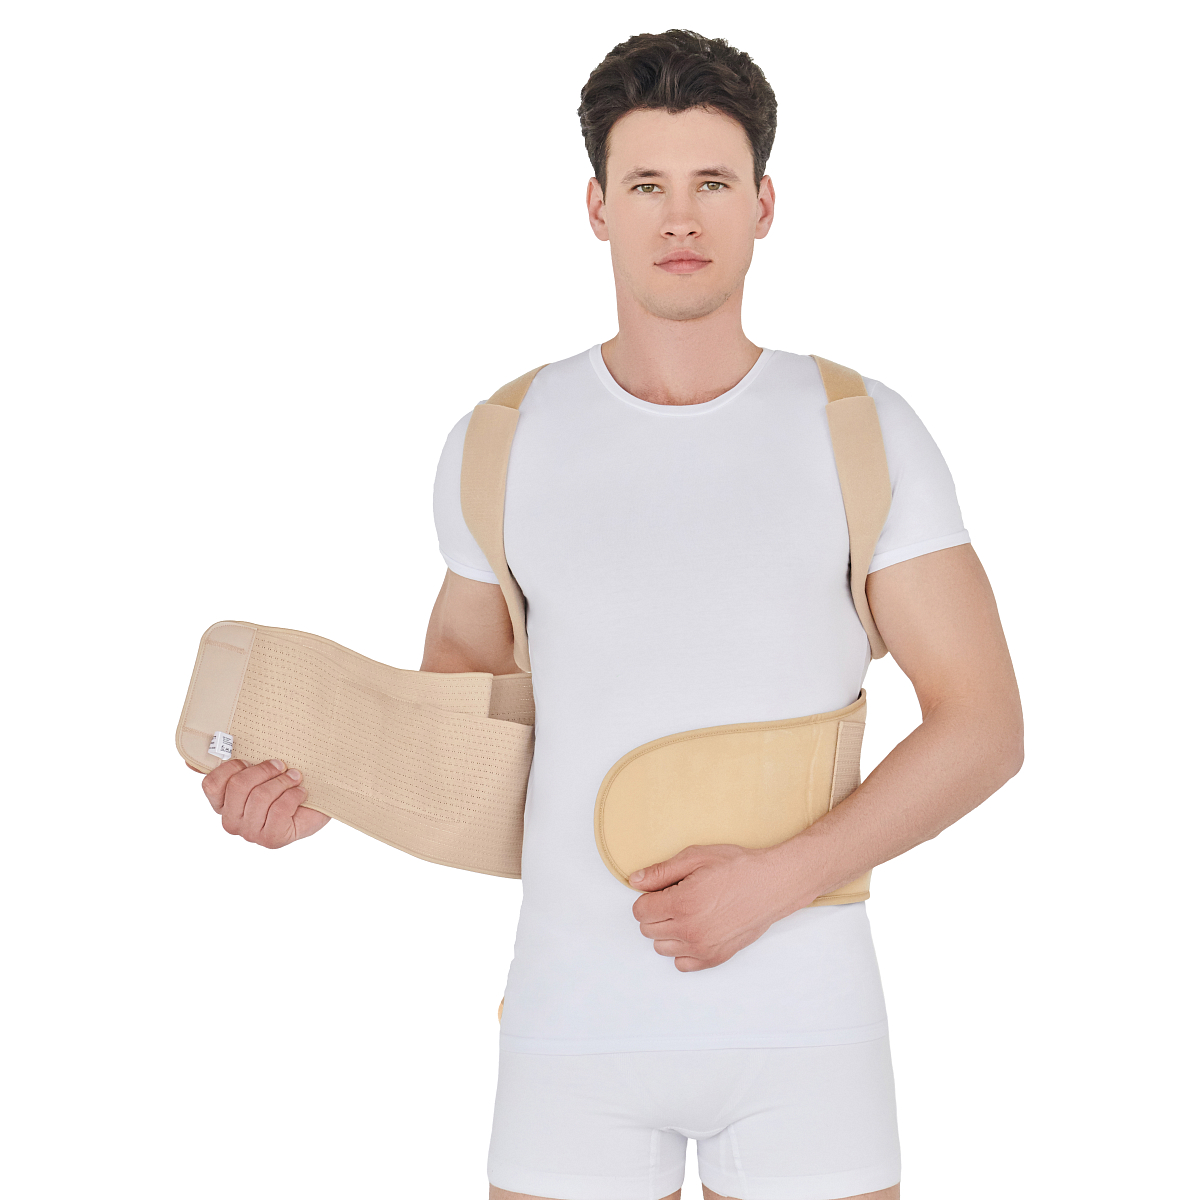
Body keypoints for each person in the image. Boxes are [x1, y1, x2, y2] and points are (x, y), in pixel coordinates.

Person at [200, 29, 1023, 1200]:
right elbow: (455, 730)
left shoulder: (863, 431)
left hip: (803, 1025)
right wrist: (322, 793)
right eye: (645, 186)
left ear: (764, 204)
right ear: (597, 206)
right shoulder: (503, 438)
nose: (679, 218)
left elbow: (985, 725)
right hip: (574, 1024)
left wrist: (776, 881)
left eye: (712, 184)